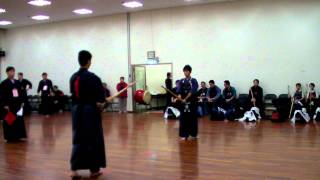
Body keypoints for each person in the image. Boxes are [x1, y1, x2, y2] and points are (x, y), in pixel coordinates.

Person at [69, 50, 108, 178]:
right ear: (89, 61)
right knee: (93, 140)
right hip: (89, 112)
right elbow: (101, 99)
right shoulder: (93, 78)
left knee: (78, 139)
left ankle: (74, 170)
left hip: (76, 111)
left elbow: (75, 95)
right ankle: (94, 170)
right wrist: (103, 104)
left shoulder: (73, 77)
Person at [0, 67, 27, 142]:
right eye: (11, 71)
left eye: (13, 71)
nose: (13, 73)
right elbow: (2, 95)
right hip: (9, 104)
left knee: (18, 119)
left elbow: (20, 93)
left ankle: (18, 136)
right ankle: (9, 137)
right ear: (7, 72)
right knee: (9, 120)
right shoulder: (4, 83)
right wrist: (4, 104)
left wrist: (22, 102)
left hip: (17, 103)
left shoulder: (17, 82)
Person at [174, 65, 199, 141]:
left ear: (190, 71)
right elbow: (179, 91)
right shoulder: (181, 81)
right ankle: (184, 135)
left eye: (187, 71)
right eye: (184, 71)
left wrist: (185, 99)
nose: (185, 72)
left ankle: (193, 134)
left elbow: (192, 91)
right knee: (183, 118)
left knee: (192, 118)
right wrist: (178, 97)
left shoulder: (193, 81)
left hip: (192, 102)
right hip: (183, 103)